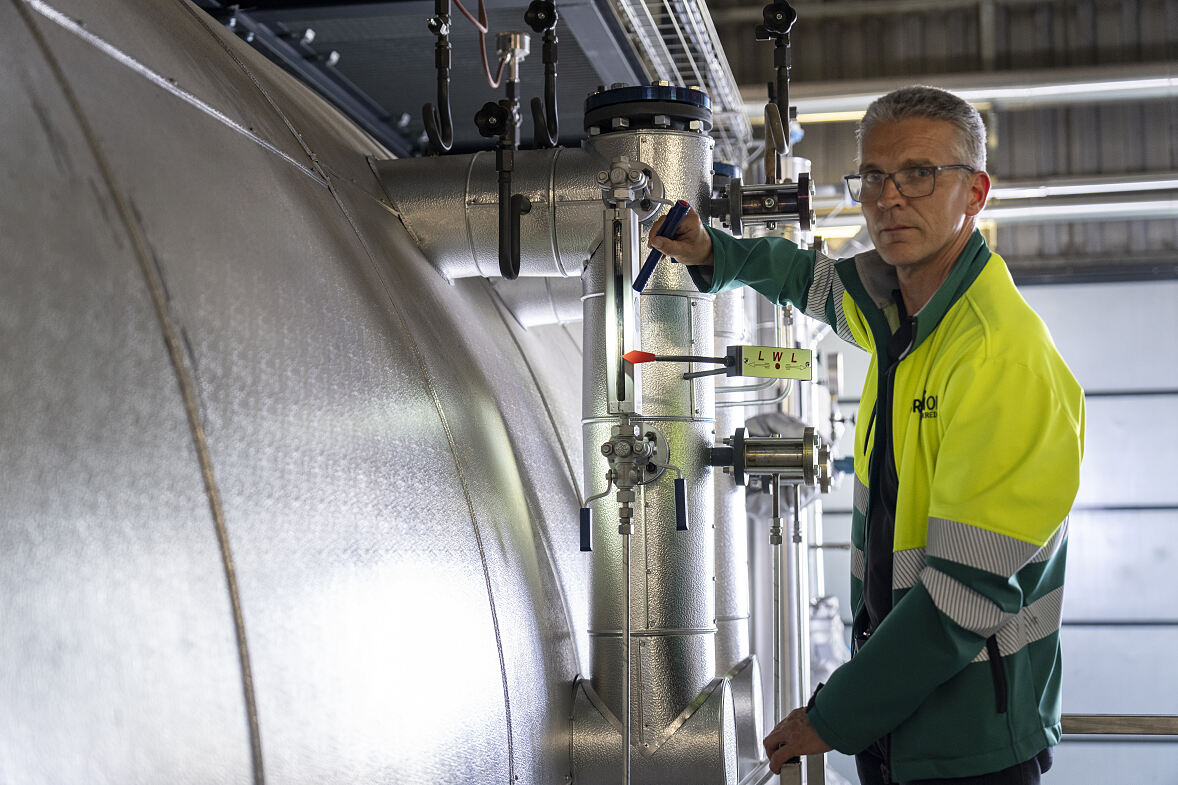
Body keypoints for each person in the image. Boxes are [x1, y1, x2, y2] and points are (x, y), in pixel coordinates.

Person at [649, 86, 1085, 784]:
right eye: (874, 177)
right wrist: (712, 251)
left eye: (919, 174)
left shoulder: (1001, 357)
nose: (889, 198)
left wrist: (836, 714)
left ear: (974, 192)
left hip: (972, 743)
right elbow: (809, 280)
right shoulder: (901, 311)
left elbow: (961, 598)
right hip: (901, 727)